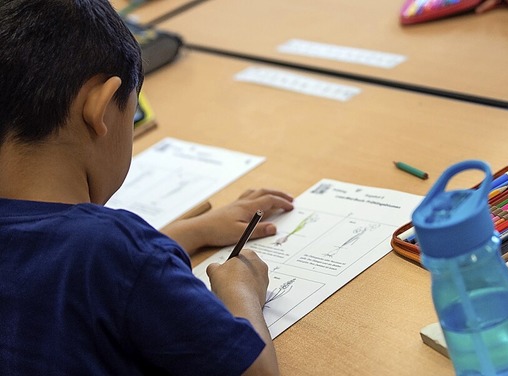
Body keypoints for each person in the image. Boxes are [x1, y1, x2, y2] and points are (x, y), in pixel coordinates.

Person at [0, 1, 294, 375]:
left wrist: (191, 231)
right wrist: (242, 290)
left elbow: (51, 259)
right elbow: (258, 372)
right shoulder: (112, 249)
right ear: (101, 108)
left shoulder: (107, 255)